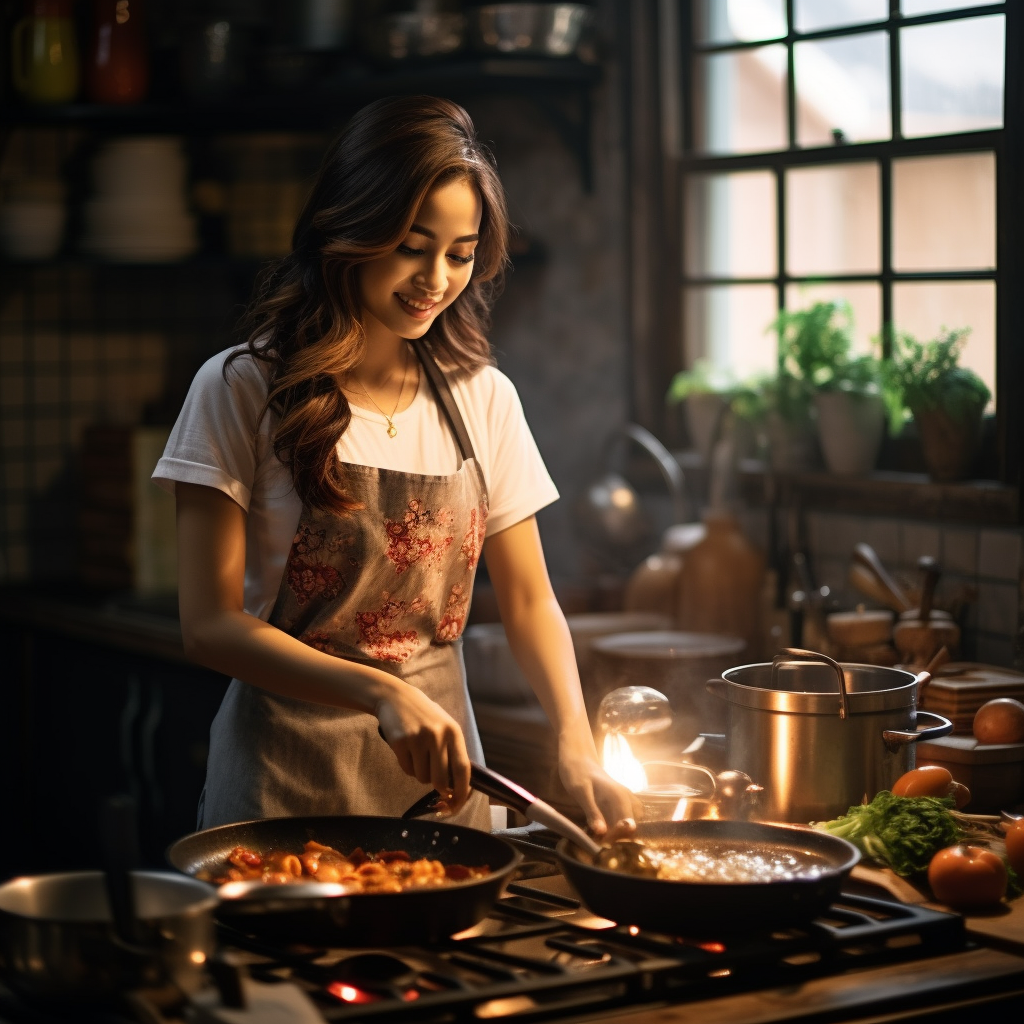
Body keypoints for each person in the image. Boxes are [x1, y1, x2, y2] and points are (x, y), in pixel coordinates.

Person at [153, 94, 640, 836]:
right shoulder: (241, 387)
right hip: (284, 785)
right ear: (349, 227)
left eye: (461, 253)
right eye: (413, 245)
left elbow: (531, 602)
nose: (436, 278)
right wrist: (380, 692)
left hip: (444, 790)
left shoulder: (484, 398)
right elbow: (209, 626)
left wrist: (575, 738)